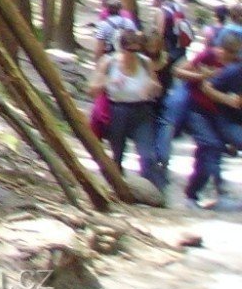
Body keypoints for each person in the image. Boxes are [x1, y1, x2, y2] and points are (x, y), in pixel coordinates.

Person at [90, 28, 164, 192]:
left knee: (147, 155)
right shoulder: (108, 63)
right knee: (117, 154)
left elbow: (157, 87)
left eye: (137, 49)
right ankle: (117, 188)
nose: (134, 54)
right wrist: (109, 82)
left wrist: (152, 87)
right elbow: (92, 89)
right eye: (130, 50)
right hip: (117, 111)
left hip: (142, 111)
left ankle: (154, 190)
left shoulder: (145, 62)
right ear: (122, 48)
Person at [179, 30, 242, 209]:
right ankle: (192, 194)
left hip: (217, 115)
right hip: (198, 110)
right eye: (228, 53)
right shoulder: (211, 57)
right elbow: (200, 83)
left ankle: (213, 191)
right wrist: (202, 77)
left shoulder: (233, 66)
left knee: (212, 151)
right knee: (210, 146)